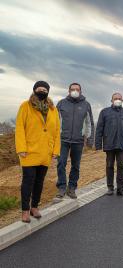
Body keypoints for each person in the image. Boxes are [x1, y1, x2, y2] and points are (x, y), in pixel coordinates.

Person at [15, 81, 61, 223]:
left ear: (48, 91)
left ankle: (34, 207)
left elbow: (57, 131)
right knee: (28, 181)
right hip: (29, 152)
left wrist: (55, 150)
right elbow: (19, 128)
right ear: (34, 90)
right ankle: (25, 210)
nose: (42, 90)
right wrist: (21, 148)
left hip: (45, 152)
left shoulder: (53, 109)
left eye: (45, 89)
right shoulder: (25, 106)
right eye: (39, 88)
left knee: (39, 181)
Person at [56, 83, 94, 199]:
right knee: (61, 163)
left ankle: (71, 188)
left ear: (81, 91)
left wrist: (89, 140)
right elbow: (54, 122)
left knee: (75, 166)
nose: (75, 91)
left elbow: (89, 123)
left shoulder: (86, 105)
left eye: (77, 89)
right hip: (62, 140)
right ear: (69, 91)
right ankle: (62, 187)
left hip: (78, 140)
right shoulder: (61, 103)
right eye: (73, 89)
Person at [95, 92, 123, 196]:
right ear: (111, 100)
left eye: (119, 98)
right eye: (115, 98)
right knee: (109, 166)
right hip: (109, 144)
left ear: (122, 100)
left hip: (122, 145)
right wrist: (98, 144)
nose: (117, 100)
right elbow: (99, 129)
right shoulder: (104, 112)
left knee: (121, 166)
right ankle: (110, 188)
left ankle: (120, 188)